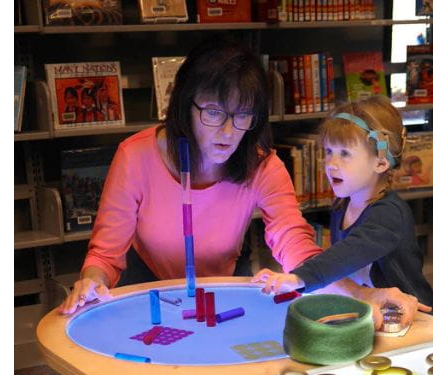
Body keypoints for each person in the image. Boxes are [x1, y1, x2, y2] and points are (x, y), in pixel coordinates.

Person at [58, 36, 324, 315]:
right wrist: (92, 281)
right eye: (213, 112)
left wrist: (318, 277)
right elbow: (105, 254)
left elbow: (291, 235)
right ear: (186, 104)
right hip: (146, 288)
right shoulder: (134, 156)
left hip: (225, 289)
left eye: (243, 115)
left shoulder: (262, 165)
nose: (228, 132)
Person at [252, 96, 433, 325]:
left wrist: (298, 277)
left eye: (345, 154)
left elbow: (346, 255)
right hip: (376, 316)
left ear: (380, 163)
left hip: (412, 320)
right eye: (329, 151)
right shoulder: (343, 204)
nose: (331, 163)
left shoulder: (389, 214)